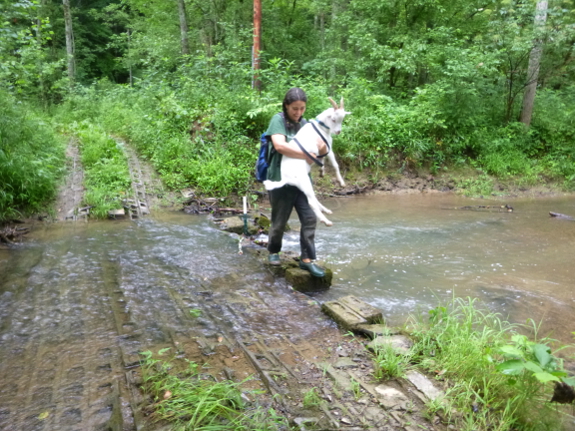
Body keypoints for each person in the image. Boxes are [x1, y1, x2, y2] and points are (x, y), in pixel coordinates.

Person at [264, 87, 327, 277]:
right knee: (279, 220)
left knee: (310, 217)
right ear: (286, 106)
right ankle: (274, 251)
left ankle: (307, 259)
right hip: (281, 179)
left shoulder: (306, 125)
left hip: (302, 180)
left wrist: (323, 147)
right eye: (294, 109)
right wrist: (307, 154)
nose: (298, 113)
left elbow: (320, 152)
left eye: (302, 108)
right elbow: (280, 145)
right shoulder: (278, 120)